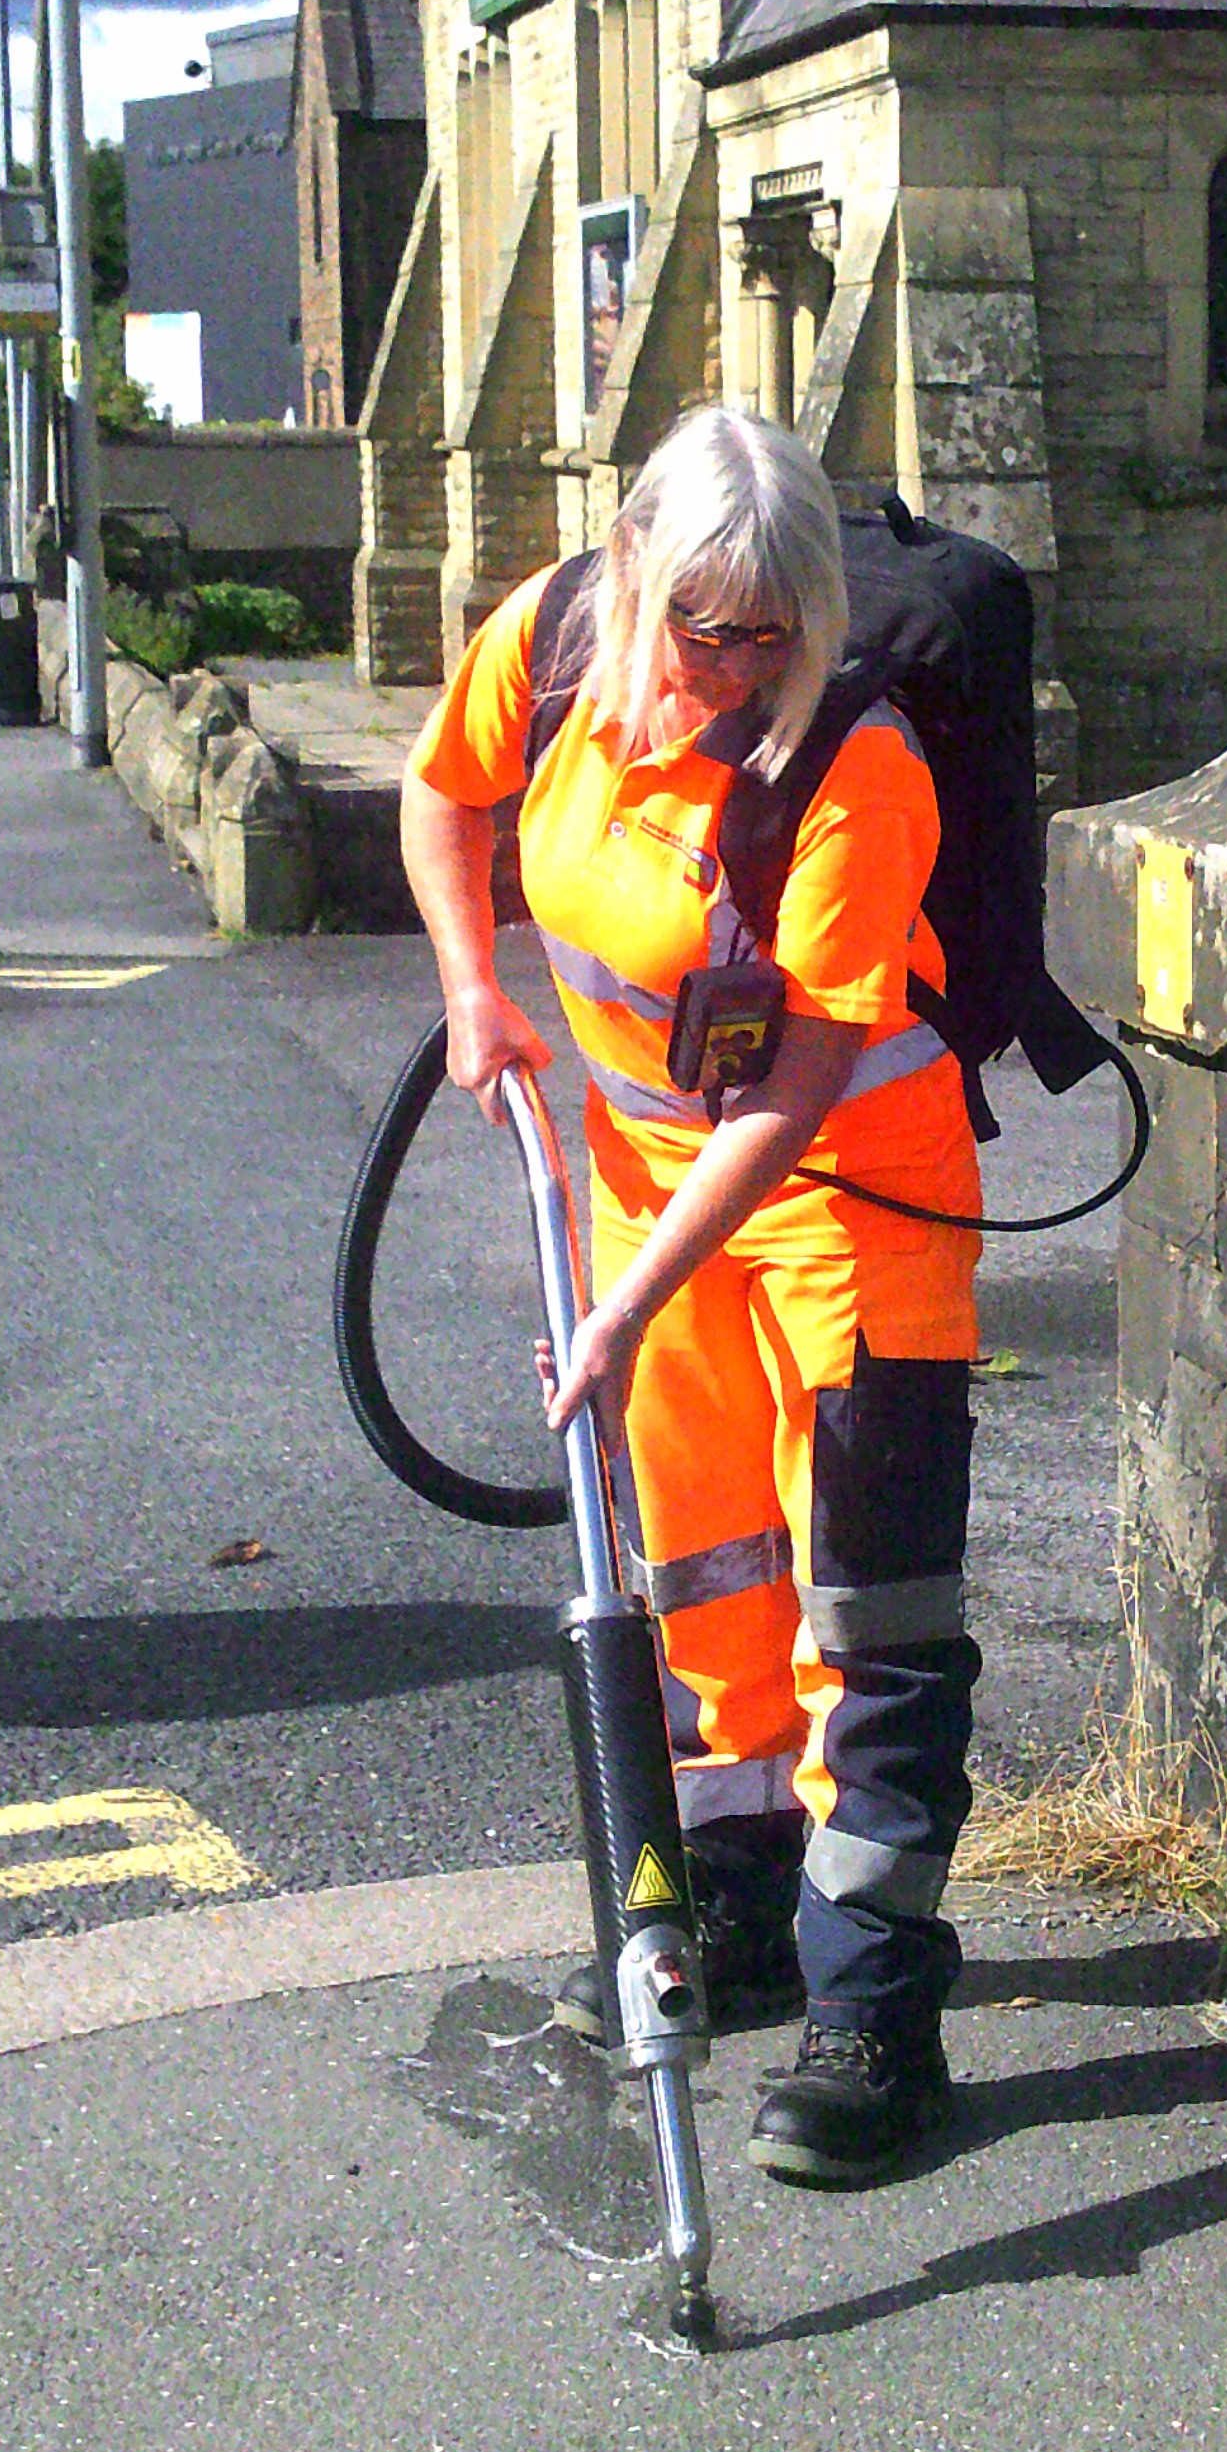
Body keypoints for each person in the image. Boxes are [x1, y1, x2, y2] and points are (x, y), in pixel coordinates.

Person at [400, 405, 983, 2186]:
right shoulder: (559, 637)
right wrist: (474, 991)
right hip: (658, 1203)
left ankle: (874, 2007)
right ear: (632, 570)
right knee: (710, 1589)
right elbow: (443, 793)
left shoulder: (856, 768)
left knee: (863, 1623)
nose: (732, 666)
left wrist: (618, 1304)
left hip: (847, 1222)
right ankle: (731, 1917)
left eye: (771, 631)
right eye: (700, 626)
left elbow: (797, 1084)